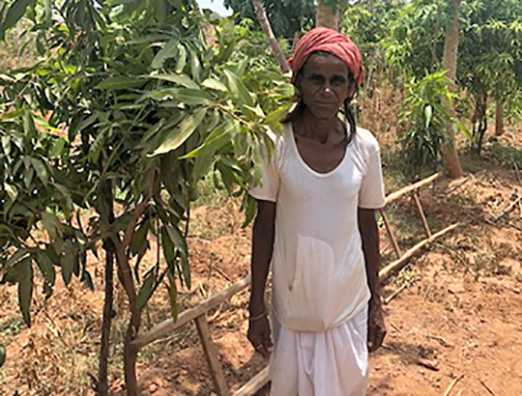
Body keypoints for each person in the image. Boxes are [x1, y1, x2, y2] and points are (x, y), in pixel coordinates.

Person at [247, 27, 387, 396]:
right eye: (316, 79)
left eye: (337, 81)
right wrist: (256, 306)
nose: (327, 91)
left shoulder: (365, 148)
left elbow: (368, 228)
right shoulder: (275, 145)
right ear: (299, 83)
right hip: (293, 303)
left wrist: (376, 303)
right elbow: (263, 227)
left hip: (348, 301)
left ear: (350, 88)